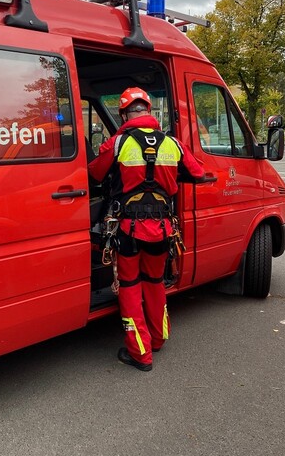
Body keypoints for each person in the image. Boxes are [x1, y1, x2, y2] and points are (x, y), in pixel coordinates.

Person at [88, 87, 205, 372]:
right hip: (163, 230)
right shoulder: (173, 144)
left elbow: (95, 174)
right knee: (154, 283)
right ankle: (157, 338)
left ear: (124, 113)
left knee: (129, 286)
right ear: (149, 111)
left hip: (128, 229)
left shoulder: (118, 143)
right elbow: (198, 173)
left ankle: (140, 353)